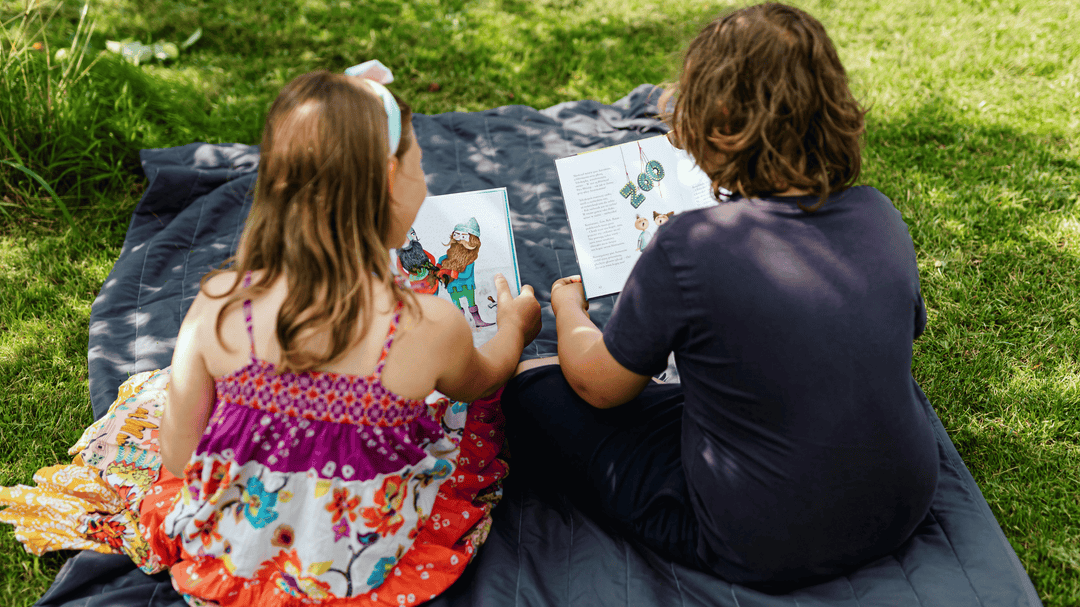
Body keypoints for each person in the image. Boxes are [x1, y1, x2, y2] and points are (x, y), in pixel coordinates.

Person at [0, 69, 540, 607]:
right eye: (421, 169)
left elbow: (179, 450)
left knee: (159, 397)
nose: (425, 185)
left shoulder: (219, 303)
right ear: (390, 178)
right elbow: (483, 380)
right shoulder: (427, 326)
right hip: (359, 560)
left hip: (233, 549)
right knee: (465, 418)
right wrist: (515, 325)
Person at [503, 3, 939, 592]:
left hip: (756, 537)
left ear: (716, 122)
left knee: (535, 385)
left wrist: (568, 313)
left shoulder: (691, 244)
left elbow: (599, 386)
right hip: (902, 502)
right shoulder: (880, 215)